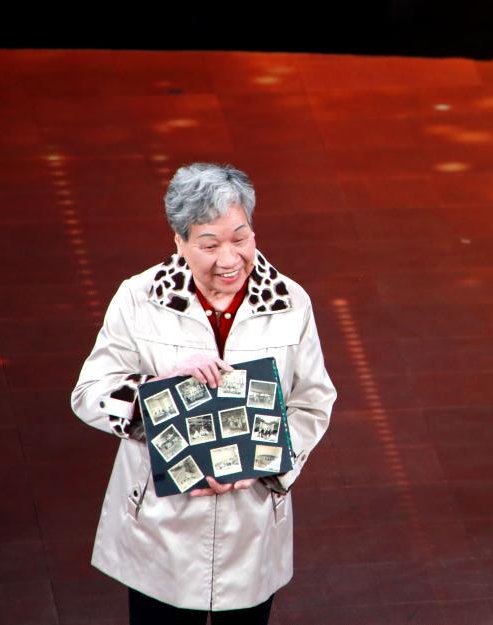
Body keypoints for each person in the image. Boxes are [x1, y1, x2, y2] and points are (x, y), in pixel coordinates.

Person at [71, 163, 337, 624]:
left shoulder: (291, 303)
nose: (229, 258)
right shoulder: (139, 298)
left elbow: (312, 401)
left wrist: (264, 464)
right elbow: (90, 392)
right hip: (161, 526)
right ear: (179, 241)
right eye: (210, 245)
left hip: (251, 522)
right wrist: (159, 391)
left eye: (241, 238)